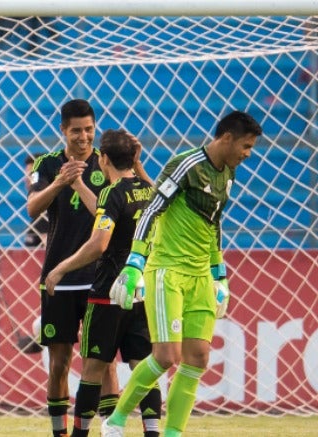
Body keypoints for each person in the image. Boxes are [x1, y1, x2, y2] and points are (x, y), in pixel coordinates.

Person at [101, 111, 262, 437]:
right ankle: (115, 421)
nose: (248, 154)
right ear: (227, 138)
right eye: (246, 146)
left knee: (198, 358)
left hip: (201, 275)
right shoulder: (185, 165)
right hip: (168, 272)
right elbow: (151, 211)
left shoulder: (228, 174)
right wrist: (135, 263)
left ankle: (173, 433)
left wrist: (219, 274)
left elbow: (213, 223)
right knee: (165, 356)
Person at [27, 99, 151, 437]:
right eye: (76, 130)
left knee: (106, 364)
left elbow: (109, 211)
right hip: (60, 277)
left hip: (101, 278)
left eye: (89, 130)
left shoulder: (107, 162)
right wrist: (58, 183)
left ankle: (112, 430)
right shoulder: (48, 164)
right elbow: (32, 208)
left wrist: (80, 184)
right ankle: (60, 433)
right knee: (59, 364)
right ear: (63, 131)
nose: (84, 137)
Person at [23, 152, 49, 247]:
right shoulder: (38, 215)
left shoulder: (49, 215)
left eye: (32, 174)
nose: (26, 179)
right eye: (26, 174)